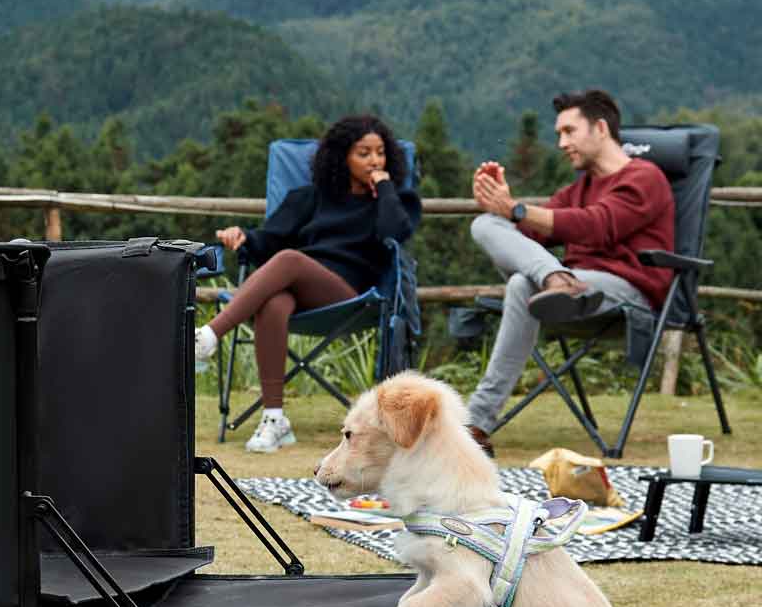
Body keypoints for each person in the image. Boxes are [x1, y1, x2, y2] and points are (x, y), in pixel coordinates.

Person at [464, 88, 674, 456]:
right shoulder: (578, 189)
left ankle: (477, 421)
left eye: (569, 131)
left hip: (627, 291)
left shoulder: (645, 177)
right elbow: (527, 232)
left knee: (518, 284)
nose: (561, 143)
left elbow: (596, 225)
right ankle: (556, 279)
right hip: (569, 292)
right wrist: (500, 205)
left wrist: (516, 209)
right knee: (485, 228)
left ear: (601, 129)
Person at [195, 114, 421, 453]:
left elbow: (395, 235)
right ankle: (275, 420)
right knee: (274, 302)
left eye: (380, 152)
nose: (375, 160)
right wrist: (241, 237)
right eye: (364, 153)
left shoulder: (391, 203)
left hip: (352, 296)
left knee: (290, 260)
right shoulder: (310, 198)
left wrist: (386, 187)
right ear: (342, 157)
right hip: (301, 290)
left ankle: (208, 336)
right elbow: (267, 241)